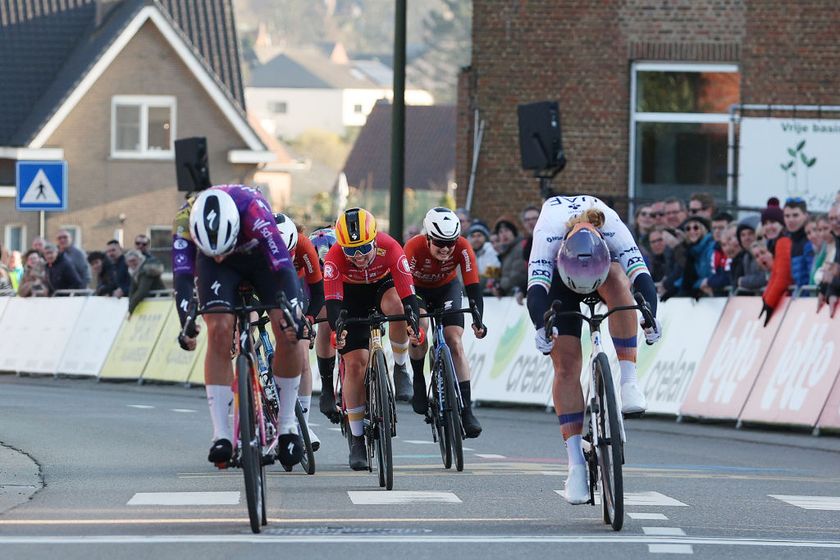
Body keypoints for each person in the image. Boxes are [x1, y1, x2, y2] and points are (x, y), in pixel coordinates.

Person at [526, 195, 661, 505]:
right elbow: (536, 292)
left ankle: (629, 380)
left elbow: (641, 277)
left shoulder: (612, 227)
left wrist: (650, 315)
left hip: (605, 271)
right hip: (562, 284)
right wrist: (541, 326)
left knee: (618, 281)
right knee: (566, 367)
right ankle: (574, 464)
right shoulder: (547, 235)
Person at [172, 186, 306, 468]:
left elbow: (284, 270)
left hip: (258, 256)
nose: (220, 256)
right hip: (213, 266)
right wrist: (187, 322)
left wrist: (294, 313)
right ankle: (221, 435)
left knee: (288, 329)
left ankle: (287, 427)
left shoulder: (254, 210)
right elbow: (182, 278)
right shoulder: (185, 219)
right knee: (219, 329)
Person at [323, 207, 420, 470]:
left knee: (398, 308)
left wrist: (413, 323)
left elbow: (409, 295)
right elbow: (332, 303)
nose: (358, 256)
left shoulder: (390, 247)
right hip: (351, 297)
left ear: (374, 239)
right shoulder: (334, 257)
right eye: (350, 250)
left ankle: (401, 367)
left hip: (382, 287)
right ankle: (356, 439)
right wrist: (338, 330)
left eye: (364, 248)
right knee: (355, 364)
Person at [404, 207, 487, 438]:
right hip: (417, 291)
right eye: (440, 243)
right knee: (421, 328)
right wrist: (411, 319)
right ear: (428, 238)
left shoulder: (463, 247)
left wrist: (478, 318)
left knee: (454, 341)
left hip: (447, 290)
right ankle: (419, 379)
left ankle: (467, 410)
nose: (446, 249)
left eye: (451, 242)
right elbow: (405, 288)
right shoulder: (413, 247)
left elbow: (473, 286)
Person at [274, 213, 325, 451]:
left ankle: (302, 420)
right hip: (263, 284)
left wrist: (310, 319)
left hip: (296, 287)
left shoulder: (304, 244)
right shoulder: (255, 245)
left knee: (301, 353)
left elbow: (318, 291)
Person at [760, 197, 814, 326]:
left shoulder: (809, 240)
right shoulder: (786, 240)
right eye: (787, 216)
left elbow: (784, 277)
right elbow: (777, 274)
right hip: (797, 302)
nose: (791, 220)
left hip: (809, 302)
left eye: (795, 215)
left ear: (805, 216)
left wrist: (769, 303)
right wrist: (766, 301)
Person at [308, 227, 342, 424]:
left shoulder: (345, 256)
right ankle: (328, 388)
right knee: (326, 322)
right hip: (321, 293)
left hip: (348, 285)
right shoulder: (310, 267)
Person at [492, 217, 527, 298]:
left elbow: (517, 276)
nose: (504, 235)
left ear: (513, 232)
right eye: (500, 232)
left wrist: (501, 287)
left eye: (507, 230)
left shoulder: (519, 248)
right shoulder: (507, 251)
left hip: (516, 296)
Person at [126, 249, 165, 314]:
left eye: (134, 260)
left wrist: (131, 308)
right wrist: (131, 304)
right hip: (153, 301)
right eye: (130, 261)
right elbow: (132, 290)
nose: (132, 263)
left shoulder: (146, 270)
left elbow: (142, 291)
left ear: (140, 259)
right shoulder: (134, 272)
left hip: (159, 301)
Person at [466, 220, 499, 294]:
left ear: (485, 237)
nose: (476, 239)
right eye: (473, 236)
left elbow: (492, 276)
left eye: (479, 235)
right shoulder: (467, 254)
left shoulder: (491, 251)